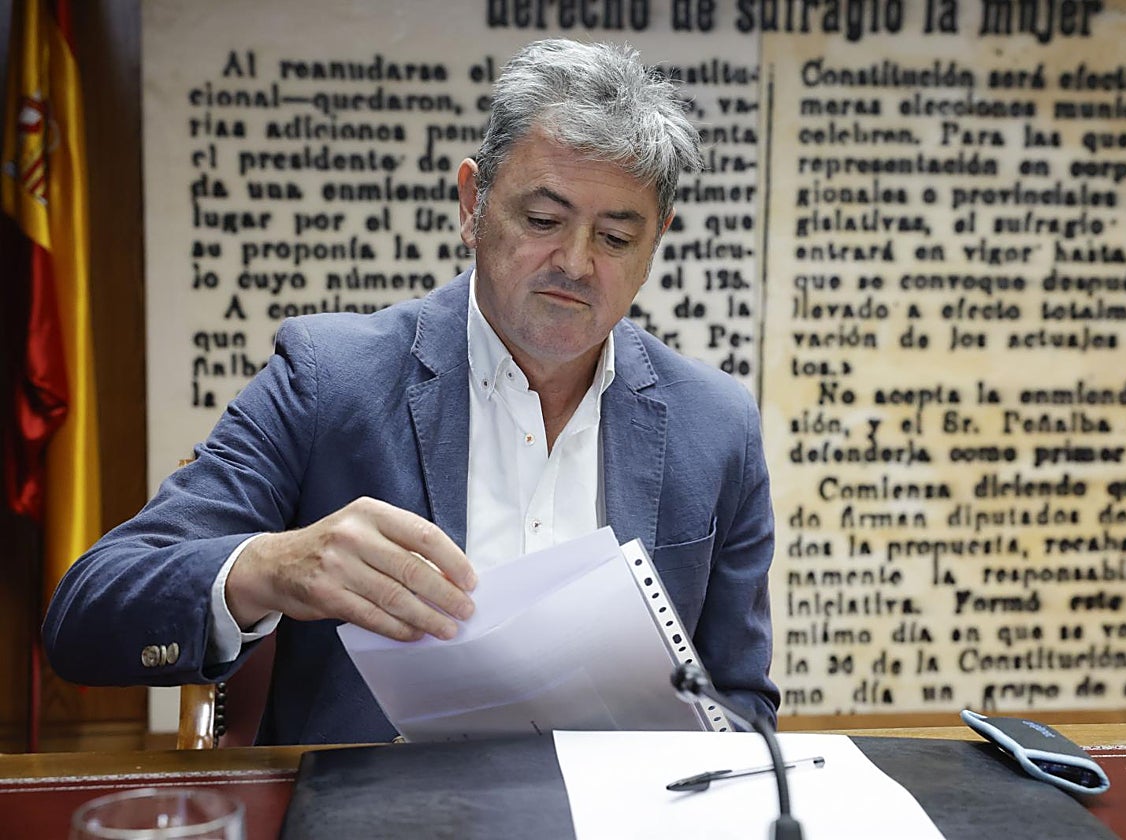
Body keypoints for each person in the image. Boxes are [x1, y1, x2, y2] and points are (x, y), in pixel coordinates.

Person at [42, 38, 779, 745]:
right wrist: (269, 569)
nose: (576, 263)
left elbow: (740, 706)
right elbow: (87, 612)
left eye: (616, 238)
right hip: (383, 802)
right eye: (543, 220)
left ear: (656, 243)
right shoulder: (330, 379)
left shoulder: (715, 426)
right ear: (472, 203)